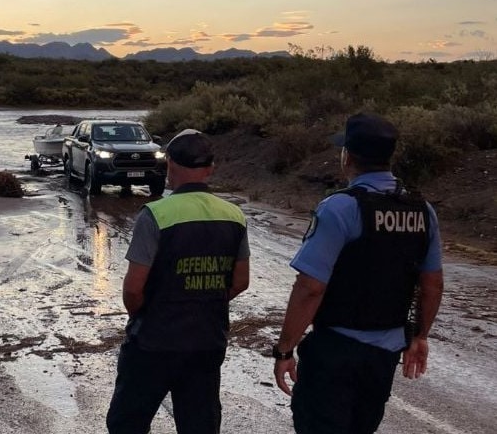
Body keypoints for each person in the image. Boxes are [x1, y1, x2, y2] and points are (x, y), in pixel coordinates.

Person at [273, 112, 444, 433]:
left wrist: (284, 349)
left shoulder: (340, 208)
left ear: (347, 156)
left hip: (336, 350)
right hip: (384, 354)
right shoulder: (422, 210)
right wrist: (420, 336)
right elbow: (432, 283)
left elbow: (310, 287)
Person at [106, 129, 250, 434]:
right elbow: (241, 281)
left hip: (153, 343)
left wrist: (148, 313)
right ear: (210, 168)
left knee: (126, 423)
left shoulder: (156, 214)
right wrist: (203, 300)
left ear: (169, 165)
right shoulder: (234, 215)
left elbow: (133, 289)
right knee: (200, 424)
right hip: (207, 341)